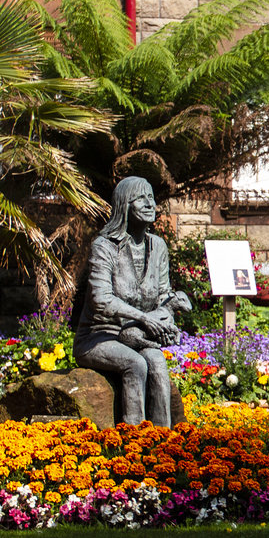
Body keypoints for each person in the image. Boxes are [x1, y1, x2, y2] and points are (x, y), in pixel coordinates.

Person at [73, 177, 192, 426]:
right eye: (141, 198)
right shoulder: (104, 247)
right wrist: (143, 317)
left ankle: (163, 443)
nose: (150, 204)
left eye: (151, 198)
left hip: (136, 335)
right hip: (99, 337)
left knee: (158, 363)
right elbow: (100, 299)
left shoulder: (157, 246)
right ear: (124, 204)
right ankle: (134, 440)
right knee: (135, 364)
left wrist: (169, 312)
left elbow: (162, 295)